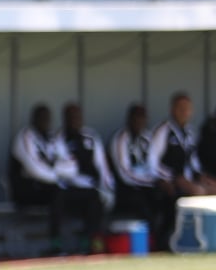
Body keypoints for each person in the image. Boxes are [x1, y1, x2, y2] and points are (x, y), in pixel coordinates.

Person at [10, 102, 106, 254]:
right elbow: (36, 170)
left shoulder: (51, 138)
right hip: (27, 189)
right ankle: (56, 245)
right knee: (58, 193)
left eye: (47, 118)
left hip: (54, 187)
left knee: (93, 196)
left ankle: (89, 242)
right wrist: (58, 174)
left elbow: (70, 166)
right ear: (33, 119)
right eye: (41, 118)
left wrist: (57, 171)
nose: (45, 122)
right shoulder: (26, 136)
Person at [110, 102, 178, 248]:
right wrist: (153, 181)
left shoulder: (147, 138)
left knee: (170, 198)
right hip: (126, 188)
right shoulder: (121, 138)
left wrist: (168, 180)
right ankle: (150, 244)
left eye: (142, 118)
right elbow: (125, 173)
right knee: (144, 204)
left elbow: (154, 165)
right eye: (136, 118)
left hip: (147, 185)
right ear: (129, 119)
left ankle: (164, 240)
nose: (139, 122)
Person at [150, 91, 216, 195]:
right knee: (198, 191)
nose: (184, 111)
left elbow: (194, 160)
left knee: (213, 187)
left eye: (187, 108)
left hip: (188, 178)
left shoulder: (190, 132)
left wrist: (200, 176)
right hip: (169, 179)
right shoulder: (163, 130)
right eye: (180, 108)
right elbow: (152, 163)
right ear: (172, 110)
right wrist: (172, 177)